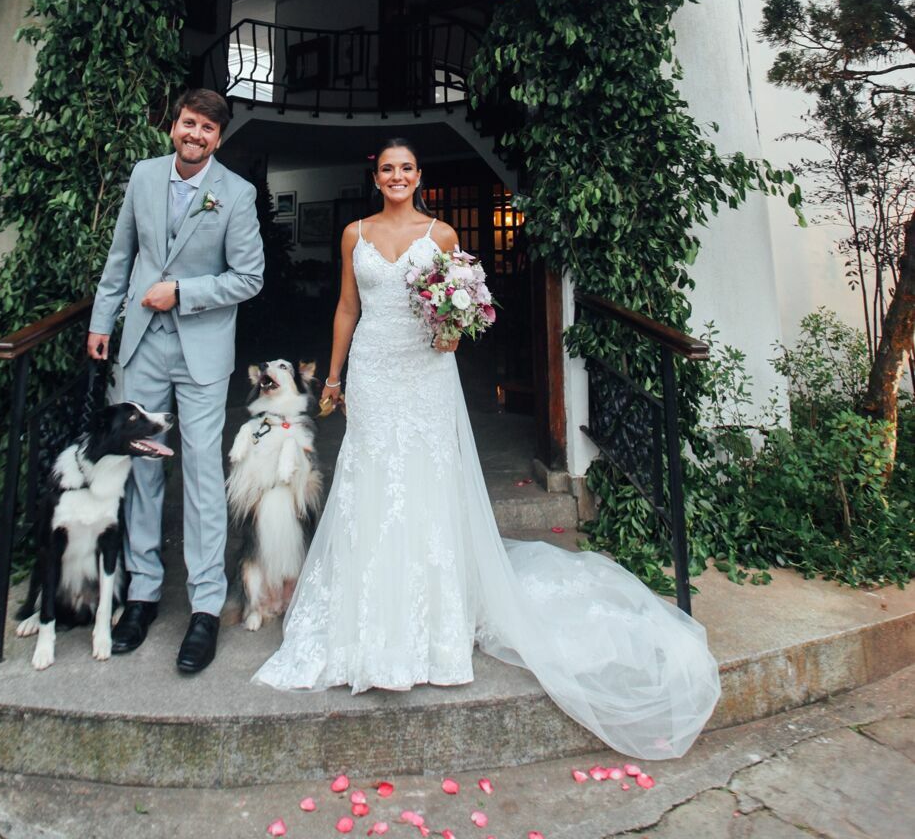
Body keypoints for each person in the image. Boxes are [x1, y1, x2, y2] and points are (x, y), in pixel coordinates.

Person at [254, 137, 720, 760]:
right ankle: (366, 613)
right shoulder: (354, 233)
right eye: (388, 169)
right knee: (371, 479)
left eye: (407, 168)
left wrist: (452, 331)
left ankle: (434, 619)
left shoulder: (443, 235)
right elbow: (346, 307)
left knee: (425, 479)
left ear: (419, 176)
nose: (397, 176)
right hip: (371, 370)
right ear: (378, 177)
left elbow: (459, 307)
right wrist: (334, 376)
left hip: (425, 374)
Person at [87, 87, 263, 674]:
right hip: (139, 345)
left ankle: (205, 607)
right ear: (175, 126)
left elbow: (249, 277)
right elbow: (121, 255)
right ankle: (140, 595)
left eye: (208, 130)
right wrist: (100, 322)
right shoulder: (142, 177)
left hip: (202, 351)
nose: (196, 135)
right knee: (140, 469)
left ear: (218, 138)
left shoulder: (236, 194)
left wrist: (184, 292)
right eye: (189, 124)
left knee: (202, 473)